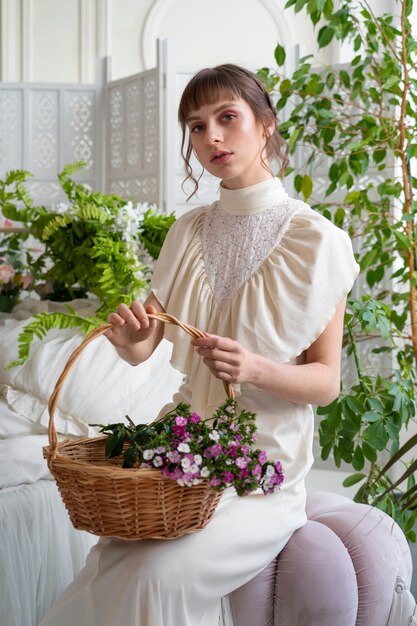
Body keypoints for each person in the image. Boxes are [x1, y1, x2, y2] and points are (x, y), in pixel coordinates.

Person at [40, 64, 359, 626]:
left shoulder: (319, 241)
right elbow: (146, 346)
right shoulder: (186, 232)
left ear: (264, 124)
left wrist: (257, 368)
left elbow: (326, 383)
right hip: (182, 458)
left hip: (263, 474)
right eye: (194, 126)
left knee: (153, 575)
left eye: (226, 118)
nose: (210, 137)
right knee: (111, 561)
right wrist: (131, 341)